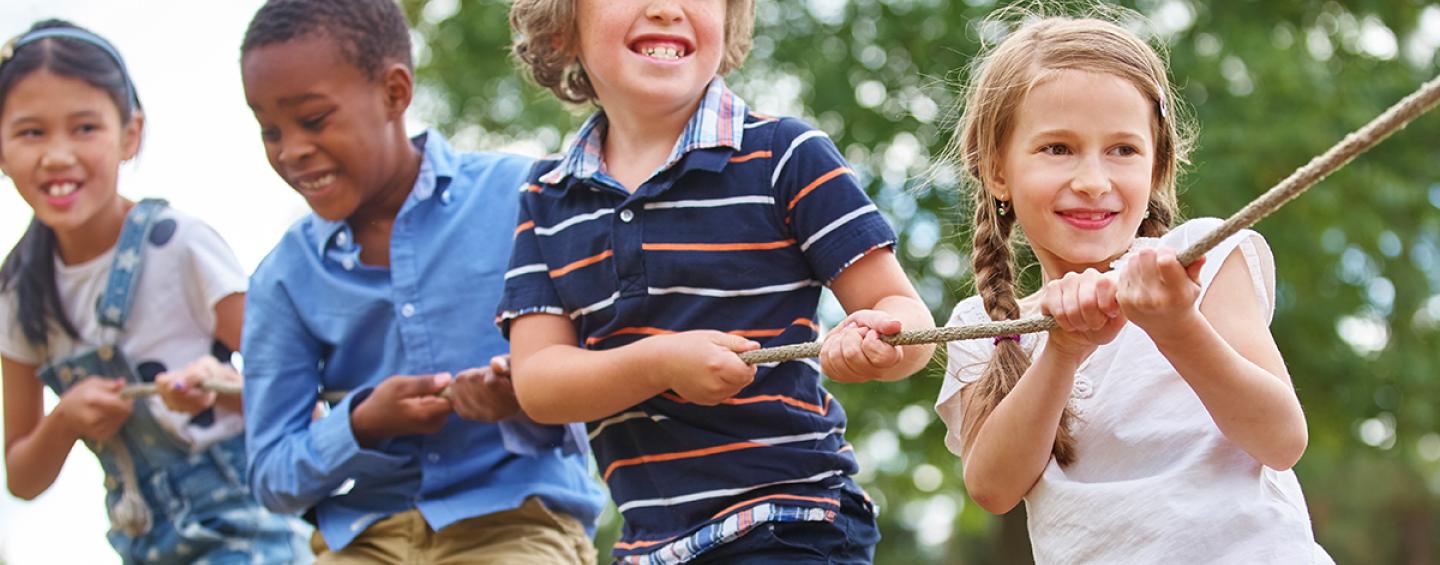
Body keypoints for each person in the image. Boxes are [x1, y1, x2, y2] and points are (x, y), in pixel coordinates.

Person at [502, 0, 936, 562]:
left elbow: (907, 315)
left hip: (790, 522)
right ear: (561, 29)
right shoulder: (547, 198)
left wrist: (880, 340)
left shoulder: (785, 156)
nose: (665, 9)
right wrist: (661, 363)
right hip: (649, 545)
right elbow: (538, 383)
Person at [932, 10, 1333, 563]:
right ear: (998, 169)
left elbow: (1281, 439)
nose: (1093, 181)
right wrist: (1063, 352)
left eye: (1123, 150)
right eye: (1058, 148)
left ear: (1157, 165)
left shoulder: (1199, 260)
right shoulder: (982, 327)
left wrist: (1177, 327)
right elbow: (994, 489)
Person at [237, 0, 606, 563]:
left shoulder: (523, 199)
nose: (291, 151)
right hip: (366, 536)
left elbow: (606, 368)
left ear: (394, 93)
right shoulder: (284, 279)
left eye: (312, 120)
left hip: (514, 522)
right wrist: (360, 425)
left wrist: (523, 397)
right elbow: (272, 473)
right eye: (269, 131)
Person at [0, 19, 308, 564]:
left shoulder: (177, 244)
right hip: (141, 543)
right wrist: (66, 418)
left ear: (130, 134)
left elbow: (296, 387)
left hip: (247, 528)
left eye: (84, 128)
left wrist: (220, 383)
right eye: (30, 132)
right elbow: (22, 476)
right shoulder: (19, 294)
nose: (56, 155)